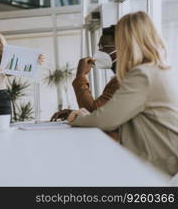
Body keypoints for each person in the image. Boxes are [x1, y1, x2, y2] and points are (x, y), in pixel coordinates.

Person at [68, 12, 178, 176]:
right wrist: (88, 115)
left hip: (164, 168)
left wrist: (76, 119)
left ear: (128, 43)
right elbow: (114, 116)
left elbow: (106, 119)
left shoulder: (142, 75)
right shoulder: (156, 70)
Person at [51, 25, 119, 121]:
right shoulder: (118, 78)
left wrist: (81, 76)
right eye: (99, 47)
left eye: (103, 47)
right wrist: (73, 113)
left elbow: (93, 111)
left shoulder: (124, 80)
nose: (99, 52)